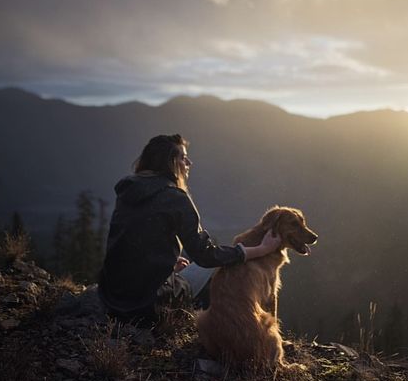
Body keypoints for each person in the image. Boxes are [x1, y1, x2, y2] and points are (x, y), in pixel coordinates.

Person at [98, 134, 281, 326]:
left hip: (112, 298)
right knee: (220, 266)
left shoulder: (129, 191)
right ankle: (232, 330)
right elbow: (206, 256)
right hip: (149, 305)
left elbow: (129, 241)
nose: (189, 163)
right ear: (172, 162)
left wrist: (165, 264)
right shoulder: (175, 197)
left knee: (194, 268)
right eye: (184, 158)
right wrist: (260, 250)